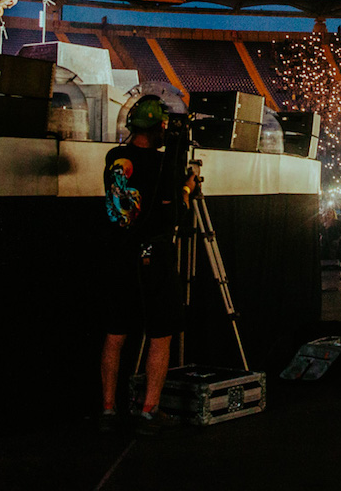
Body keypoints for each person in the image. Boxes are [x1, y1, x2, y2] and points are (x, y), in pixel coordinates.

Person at [98, 95, 198, 436]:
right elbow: (175, 213)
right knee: (160, 335)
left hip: (118, 255)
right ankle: (149, 410)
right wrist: (188, 184)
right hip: (153, 257)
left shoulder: (115, 157)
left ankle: (108, 409)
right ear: (159, 129)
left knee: (115, 335)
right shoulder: (162, 165)